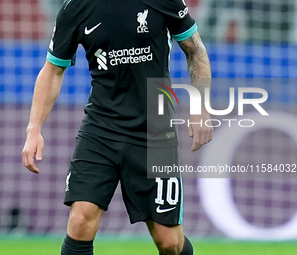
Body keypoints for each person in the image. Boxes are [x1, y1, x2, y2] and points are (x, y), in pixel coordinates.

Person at [22, 0, 212, 254]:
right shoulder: (76, 7)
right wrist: (34, 129)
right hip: (100, 128)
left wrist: (201, 106)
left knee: (170, 243)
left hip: (153, 130)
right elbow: (53, 70)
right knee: (80, 220)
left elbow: (195, 50)